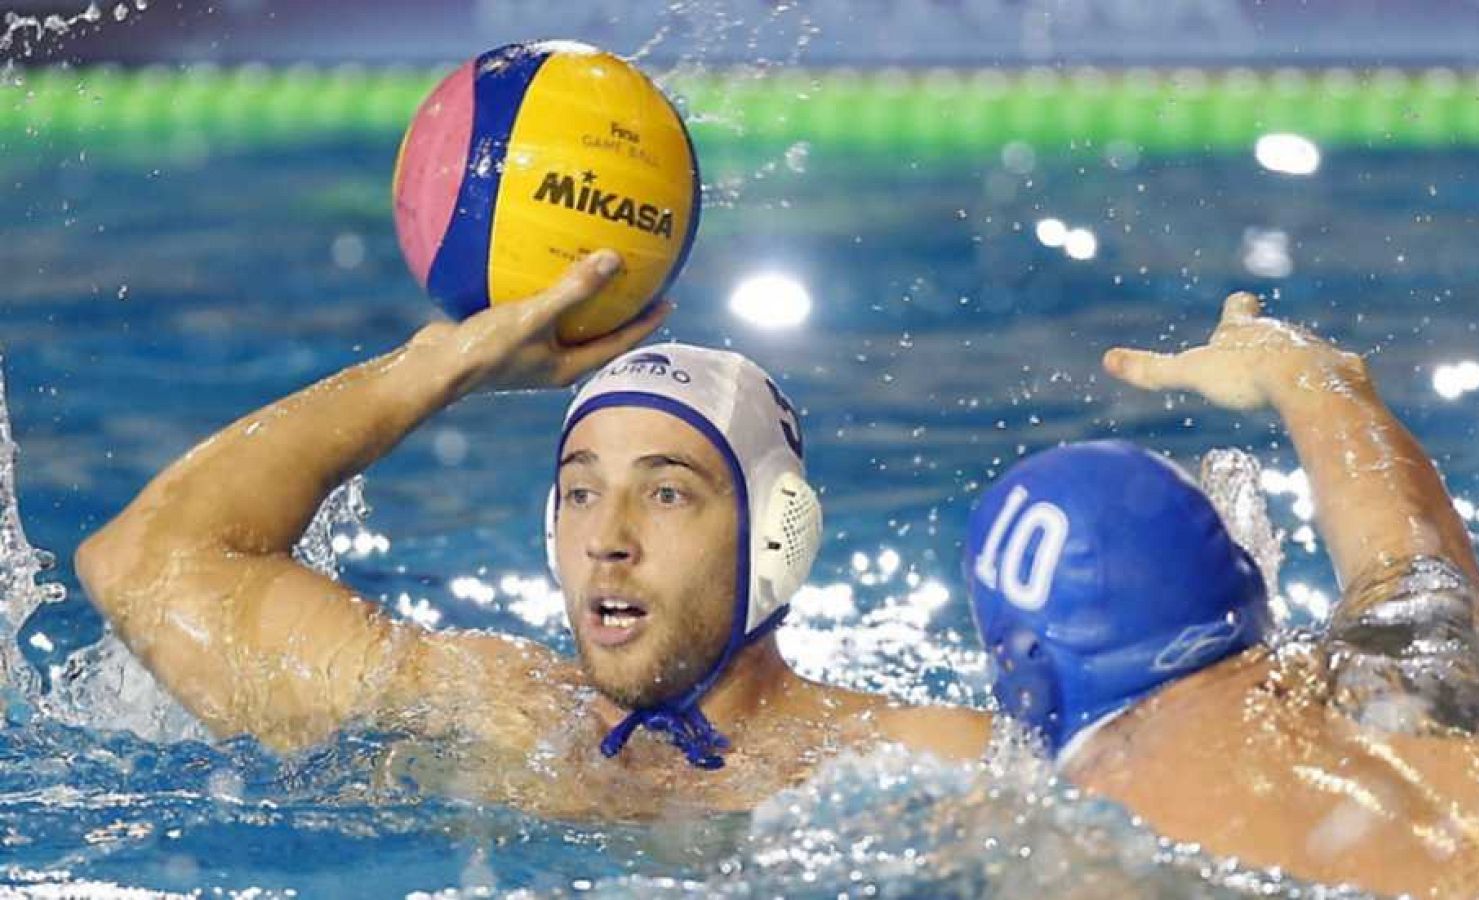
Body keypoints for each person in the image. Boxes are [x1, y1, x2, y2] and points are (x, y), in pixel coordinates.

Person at [75, 251, 989, 819]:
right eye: (581, 494)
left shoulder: (902, 760)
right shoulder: (490, 711)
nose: (609, 539)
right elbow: (143, 563)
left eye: (667, 495)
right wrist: (437, 367)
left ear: (777, 538)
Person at [966, 293, 1479, 897]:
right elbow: (1403, 548)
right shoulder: (1405, 671)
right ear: (1243, 580)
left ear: (1029, 670)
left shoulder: (1107, 816)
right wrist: (1293, 366)